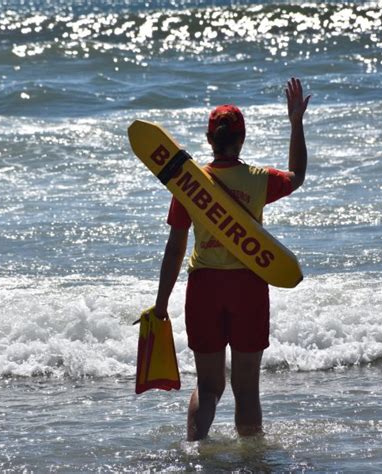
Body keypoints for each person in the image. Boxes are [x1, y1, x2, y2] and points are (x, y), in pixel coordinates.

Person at [153, 77, 310, 441]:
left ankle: (196, 453)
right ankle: (253, 462)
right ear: (242, 139)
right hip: (248, 285)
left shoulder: (188, 185)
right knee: (246, 388)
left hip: (204, 288)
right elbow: (297, 175)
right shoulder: (259, 180)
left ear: (210, 140)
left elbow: (175, 248)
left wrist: (160, 306)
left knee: (208, 387)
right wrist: (296, 123)